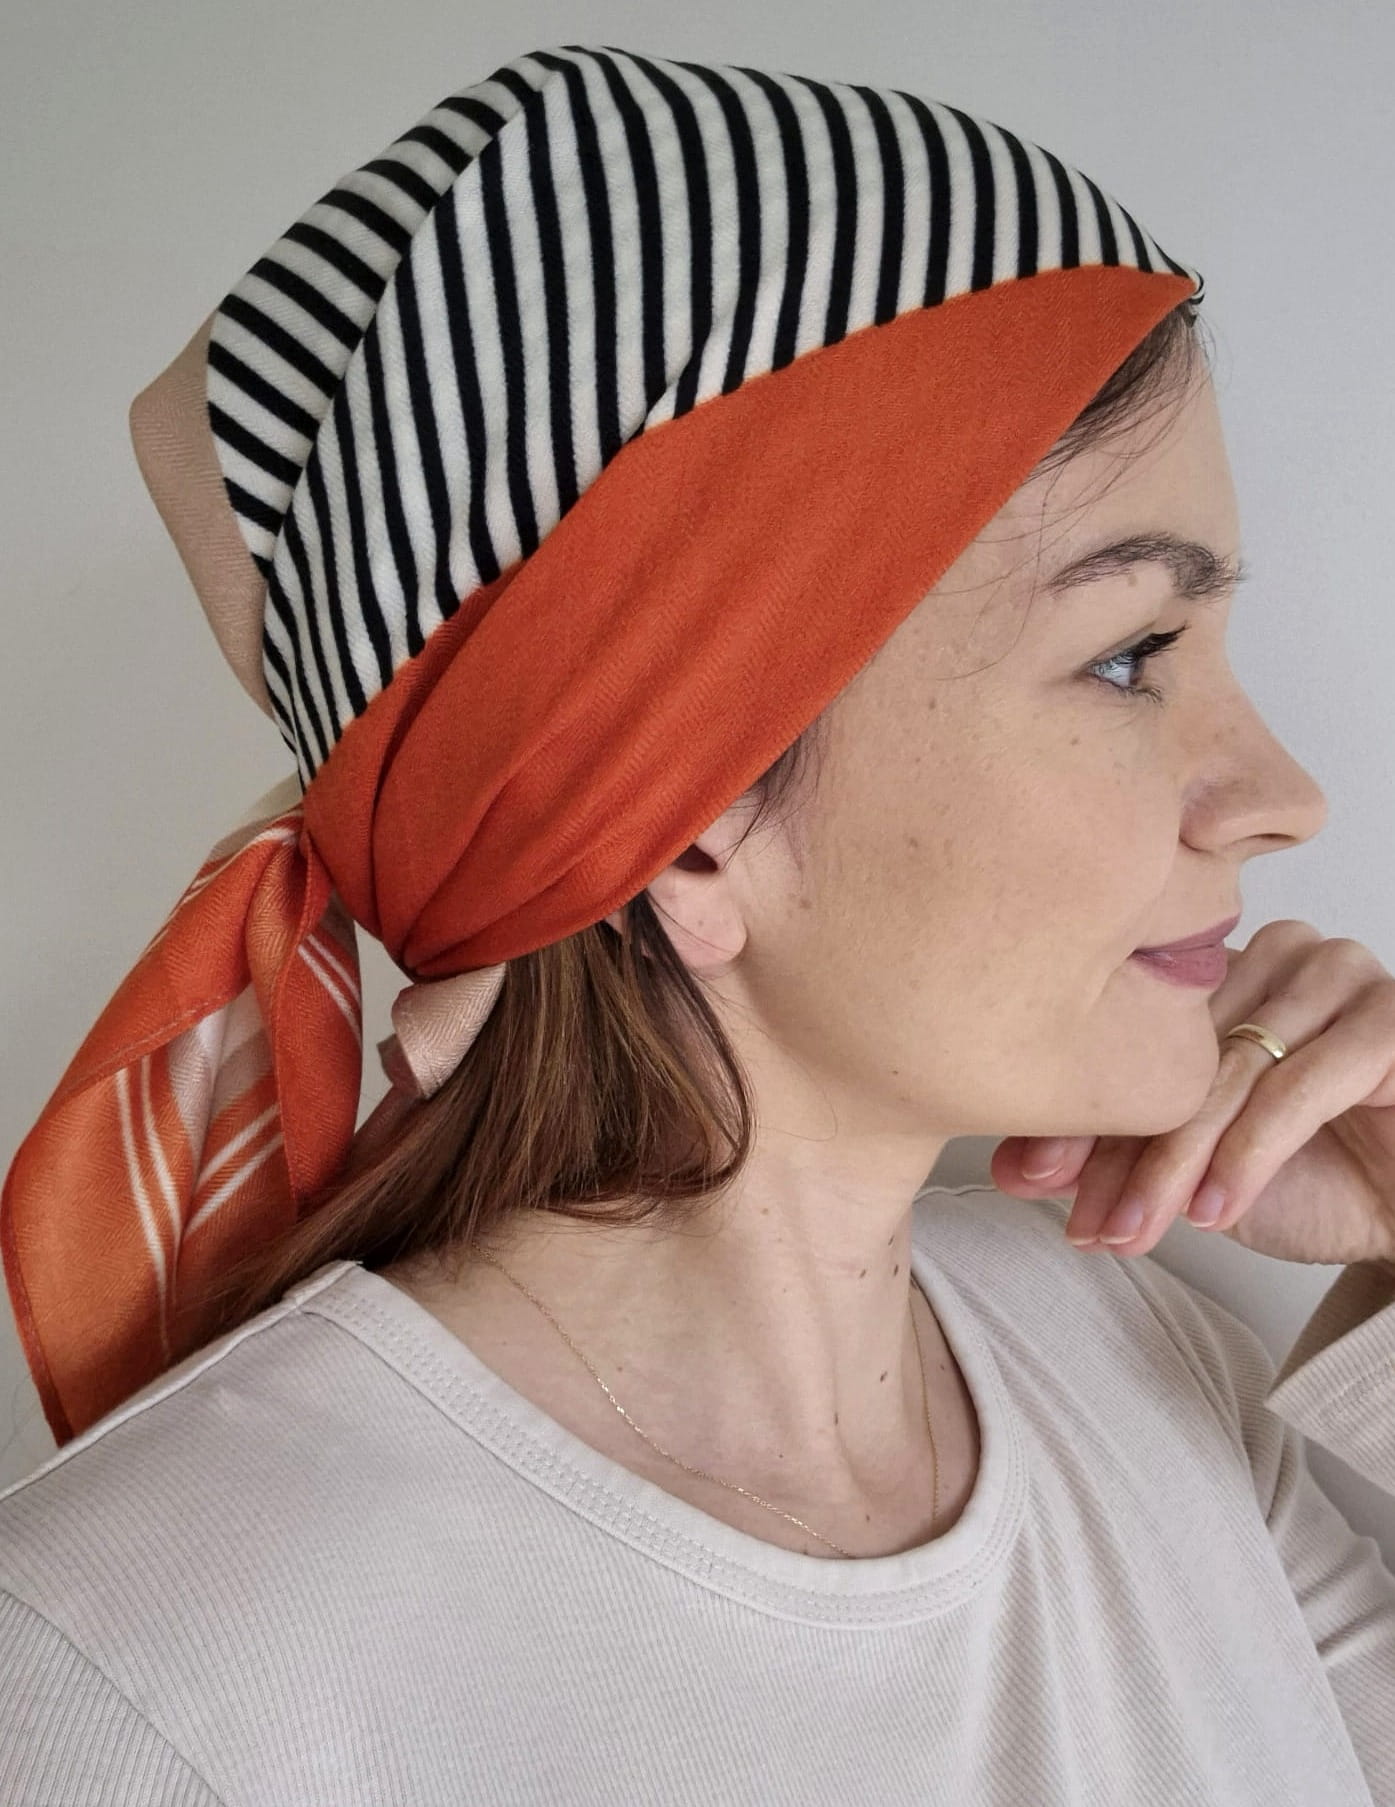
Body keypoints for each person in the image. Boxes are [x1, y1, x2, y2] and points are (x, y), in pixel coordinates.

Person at [2, 41, 1393, 1806]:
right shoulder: (129, 1681)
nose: (1280, 793)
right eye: (1133, 657)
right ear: (690, 819)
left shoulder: (1136, 1359)